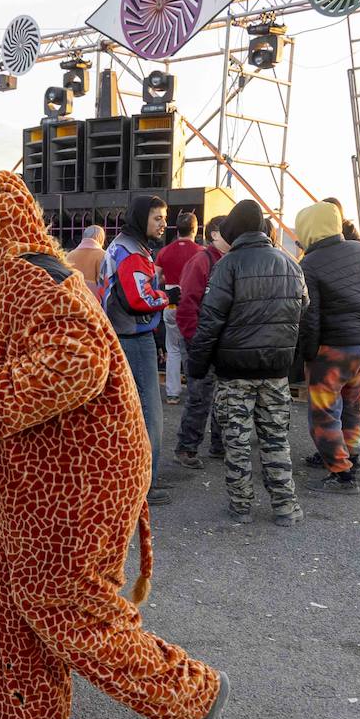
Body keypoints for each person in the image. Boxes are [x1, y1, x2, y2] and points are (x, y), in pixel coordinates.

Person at [0, 166, 228, 719]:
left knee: (66, 608)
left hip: (80, 480)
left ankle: (193, 694)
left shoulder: (27, 278)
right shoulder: (3, 282)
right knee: (10, 605)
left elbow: (78, 363)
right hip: (40, 480)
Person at [187, 200, 308, 527]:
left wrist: (197, 364)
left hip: (235, 372)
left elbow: (210, 322)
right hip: (276, 371)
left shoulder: (228, 266)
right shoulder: (291, 264)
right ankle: (285, 507)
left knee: (237, 442)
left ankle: (241, 507)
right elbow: (303, 313)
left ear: (235, 232)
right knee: (275, 439)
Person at [294, 201, 360, 494]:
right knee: (353, 406)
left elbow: (310, 316)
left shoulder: (311, 262)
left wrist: (307, 354)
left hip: (332, 349)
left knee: (324, 412)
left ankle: (341, 473)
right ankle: (351, 458)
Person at [101, 196, 172, 505]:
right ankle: (145, 483)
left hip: (119, 335)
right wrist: (168, 295)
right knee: (148, 413)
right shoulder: (132, 252)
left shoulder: (120, 245)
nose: (163, 223)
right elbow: (138, 299)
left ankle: (128, 478)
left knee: (125, 413)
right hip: (133, 337)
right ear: (142, 218)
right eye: (157, 218)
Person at [172, 217, 227, 469]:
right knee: (200, 395)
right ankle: (187, 448)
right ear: (215, 234)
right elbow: (186, 305)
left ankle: (218, 444)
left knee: (220, 396)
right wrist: (194, 340)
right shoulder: (202, 262)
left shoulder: (226, 261)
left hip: (218, 340)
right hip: (201, 340)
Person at [155, 212, 204, 406]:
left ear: (176, 229)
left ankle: (173, 393)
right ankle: (194, 393)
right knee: (192, 350)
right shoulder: (201, 252)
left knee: (173, 349)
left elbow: (156, 279)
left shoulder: (164, 251)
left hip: (171, 305)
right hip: (193, 307)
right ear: (195, 229)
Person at [65, 225, 107, 299]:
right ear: (101, 238)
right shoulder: (103, 255)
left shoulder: (70, 255)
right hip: (93, 302)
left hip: (73, 299)